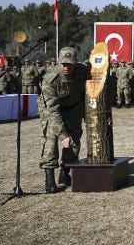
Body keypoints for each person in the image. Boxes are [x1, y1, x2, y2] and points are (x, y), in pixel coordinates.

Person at [39, 47, 88, 193]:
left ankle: (65, 173)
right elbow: (53, 110)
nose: (67, 67)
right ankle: (49, 178)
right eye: (63, 64)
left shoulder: (82, 71)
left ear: (76, 63)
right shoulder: (50, 79)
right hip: (52, 109)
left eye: (70, 64)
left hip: (73, 108)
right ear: (59, 62)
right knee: (52, 141)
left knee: (74, 142)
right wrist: (62, 135)